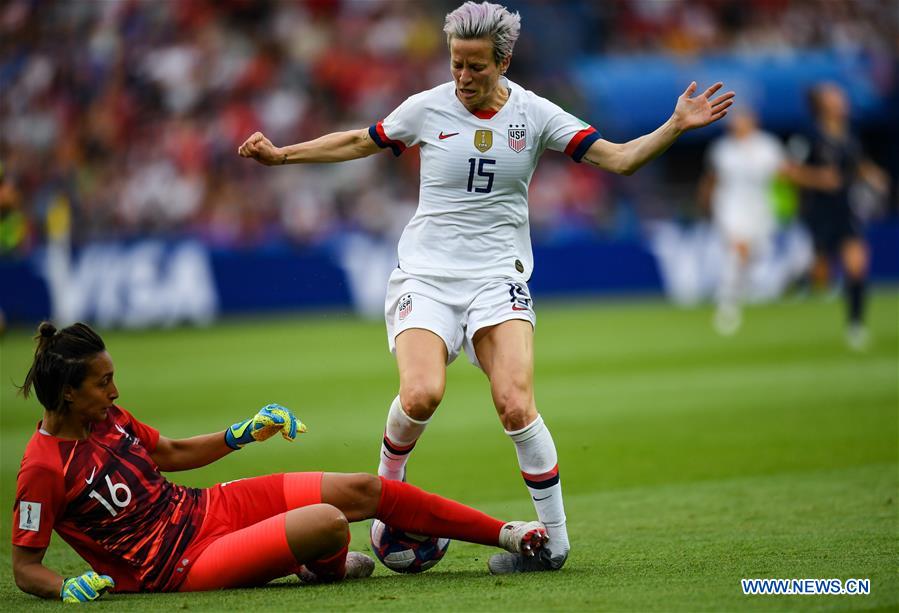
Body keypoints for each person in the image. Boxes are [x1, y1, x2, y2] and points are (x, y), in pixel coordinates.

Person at [239, 0, 734, 573]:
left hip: (499, 280)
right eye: (456, 65)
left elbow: (620, 160)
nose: (464, 78)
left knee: (515, 404)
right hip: (425, 278)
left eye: (476, 66)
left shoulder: (537, 115)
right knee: (422, 394)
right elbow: (358, 142)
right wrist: (282, 156)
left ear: (504, 61)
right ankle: (387, 498)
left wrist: (675, 125)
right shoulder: (427, 108)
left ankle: (555, 543)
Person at [11, 322, 548, 603]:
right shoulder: (41, 468)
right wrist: (64, 587)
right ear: (66, 395)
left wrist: (242, 433)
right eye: (103, 383)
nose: (115, 389)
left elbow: (170, 454)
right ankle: (317, 561)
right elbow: (24, 568)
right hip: (177, 567)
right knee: (329, 523)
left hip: (203, 508)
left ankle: (507, 534)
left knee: (360, 488)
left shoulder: (107, 418)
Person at [698, 107, 841, 335]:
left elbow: (789, 173)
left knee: (754, 257)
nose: (739, 124)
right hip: (730, 207)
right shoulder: (722, 150)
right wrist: (705, 206)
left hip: (759, 210)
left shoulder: (767, 146)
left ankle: (755, 293)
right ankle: (727, 307)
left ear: (753, 121)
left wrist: (819, 179)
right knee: (738, 252)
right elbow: (711, 180)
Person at [794, 82, 889, 350]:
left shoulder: (849, 134)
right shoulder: (809, 135)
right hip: (818, 211)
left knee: (857, 264)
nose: (841, 99)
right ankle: (800, 280)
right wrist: (818, 178)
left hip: (845, 209)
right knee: (820, 274)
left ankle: (856, 325)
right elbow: (789, 169)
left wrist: (873, 175)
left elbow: (857, 164)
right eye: (835, 96)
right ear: (823, 104)